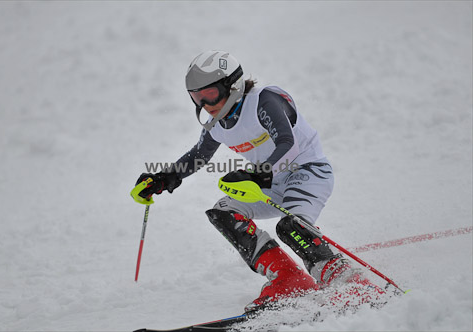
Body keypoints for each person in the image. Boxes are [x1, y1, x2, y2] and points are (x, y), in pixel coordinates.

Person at [134, 50, 363, 311]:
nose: (205, 104)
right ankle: (288, 278)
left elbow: (288, 144)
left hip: (308, 173)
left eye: (210, 94)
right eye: (196, 98)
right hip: (272, 181)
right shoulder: (216, 123)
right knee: (224, 212)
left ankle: (344, 279)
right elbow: (199, 156)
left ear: (232, 85)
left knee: (292, 227)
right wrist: (164, 179)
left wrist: (258, 173)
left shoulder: (264, 101)